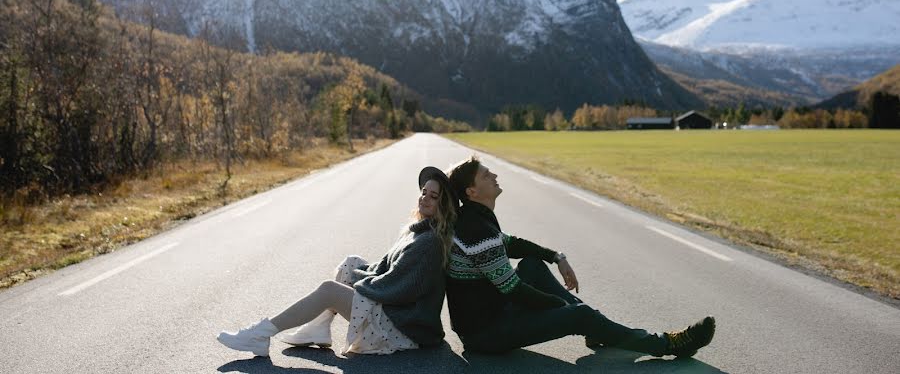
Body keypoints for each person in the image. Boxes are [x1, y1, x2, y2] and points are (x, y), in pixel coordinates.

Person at [445, 155, 716, 358]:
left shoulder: (476, 220)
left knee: (532, 265)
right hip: (484, 334)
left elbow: (513, 244)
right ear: (472, 192)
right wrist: (562, 310)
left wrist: (556, 256)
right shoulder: (477, 230)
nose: (493, 175)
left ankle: (596, 328)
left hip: (492, 313)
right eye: (484, 175)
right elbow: (513, 289)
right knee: (580, 315)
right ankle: (666, 344)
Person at [217, 166, 458, 358]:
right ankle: (319, 328)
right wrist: (358, 274)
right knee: (351, 263)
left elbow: (397, 287)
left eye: (433, 196)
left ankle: (260, 334)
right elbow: (384, 267)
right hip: (398, 314)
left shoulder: (429, 243)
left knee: (329, 290)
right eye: (423, 192)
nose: (425, 198)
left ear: (443, 205)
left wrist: (357, 284)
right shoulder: (416, 231)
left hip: (404, 328)